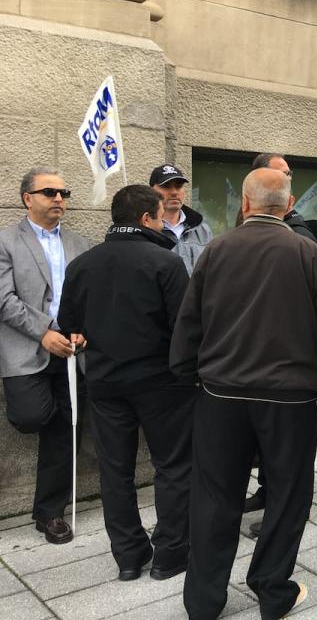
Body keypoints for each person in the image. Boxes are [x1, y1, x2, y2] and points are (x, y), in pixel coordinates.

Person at [170, 168, 317, 620]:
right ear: (290, 202)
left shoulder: (216, 249)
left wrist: (185, 371)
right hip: (288, 400)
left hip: (221, 396)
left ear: (245, 201)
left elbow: (190, 321)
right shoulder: (307, 253)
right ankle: (271, 588)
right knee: (287, 493)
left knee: (214, 497)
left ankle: (203, 601)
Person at [57, 185, 194, 581]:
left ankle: (129, 557)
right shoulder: (165, 263)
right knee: (172, 466)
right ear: (146, 219)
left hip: (105, 383)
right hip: (161, 384)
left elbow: (70, 325)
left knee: (115, 472)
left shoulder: (82, 265)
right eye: (159, 215)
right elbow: (184, 328)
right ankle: (170, 554)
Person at [0, 167, 89, 545]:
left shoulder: (81, 243)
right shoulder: (6, 242)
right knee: (32, 416)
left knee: (66, 431)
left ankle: (50, 512)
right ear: (27, 198)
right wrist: (44, 332)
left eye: (63, 192)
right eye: (49, 192)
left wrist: (85, 326)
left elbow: (90, 294)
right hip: (27, 348)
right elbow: (4, 300)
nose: (58, 198)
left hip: (72, 350)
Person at [241, 152, 317, 527]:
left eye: (289, 175)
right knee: (259, 443)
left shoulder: (300, 237)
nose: (287, 180)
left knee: (282, 448)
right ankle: (267, 491)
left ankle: (278, 511)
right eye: (280, 174)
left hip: (285, 361)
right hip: (247, 360)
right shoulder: (236, 234)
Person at [149, 164, 213, 275]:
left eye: (178, 186)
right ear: (151, 191)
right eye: (166, 186)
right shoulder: (145, 228)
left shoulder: (202, 229)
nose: (174, 192)